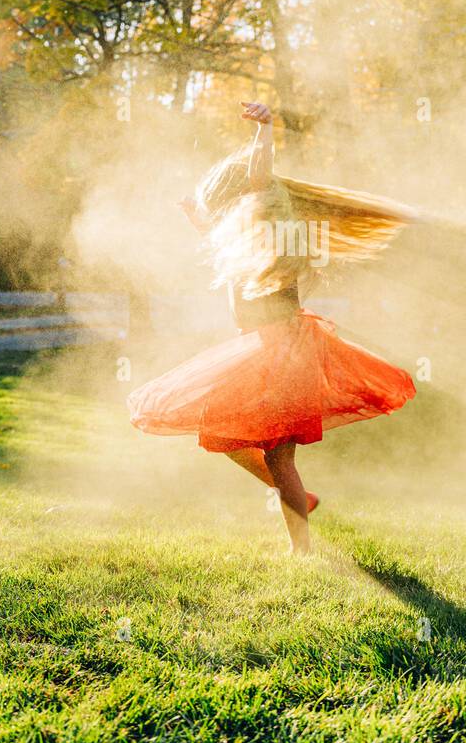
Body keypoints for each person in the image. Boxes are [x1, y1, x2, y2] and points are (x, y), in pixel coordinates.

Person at [128, 102, 416, 554]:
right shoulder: (241, 243)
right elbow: (223, 235)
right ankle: (305, 502)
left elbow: (259, 178)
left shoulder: (273, 237)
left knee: (281, 460)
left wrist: (264, 130)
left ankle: (300, 550)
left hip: (286, 353)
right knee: (222, 434)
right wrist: (197, 220)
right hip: (259, 350)